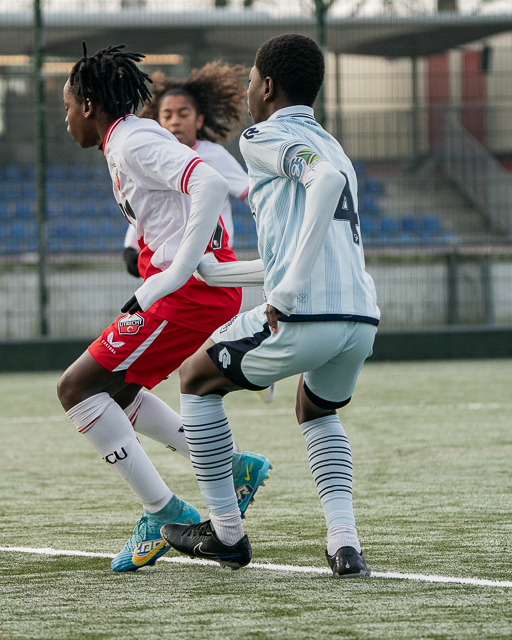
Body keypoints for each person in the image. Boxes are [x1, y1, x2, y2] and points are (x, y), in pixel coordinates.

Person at [160, 34, 379, 578]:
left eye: (253, 77)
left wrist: (282, 294)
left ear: (268, 86)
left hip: (305, 313)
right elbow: (313, 230)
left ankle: (226, 534)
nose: (250, 87)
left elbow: (321, 185)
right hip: (359, 318)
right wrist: (213, 271)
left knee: (195, 378)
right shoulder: (333, 145)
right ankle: (344, 544)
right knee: (315, 408)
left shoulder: (263, 136)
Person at [57, 44, 271, 573]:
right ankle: (232, 468)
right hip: (185, 290)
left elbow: (211, 181)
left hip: (188, 293)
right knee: (120, 391)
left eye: (65, 108)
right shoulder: (125, 141)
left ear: (87, 104)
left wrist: (174, 271)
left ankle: (162, 511)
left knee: (76, 388)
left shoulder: (133, 140)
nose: (64, 121)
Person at [124, 61, 277, 404]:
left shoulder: (212, 156)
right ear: (157, 121)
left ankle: (261, 353)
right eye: (167, 114)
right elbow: (144, 212)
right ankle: (259, 353)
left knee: (205, 342)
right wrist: (130, 246)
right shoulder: (154, 158)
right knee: (201, 347)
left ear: (200, 120)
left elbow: (251, 194)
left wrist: (273, 228)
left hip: (212, 264)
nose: (175, 120)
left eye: (183, 113)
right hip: (171, 267)